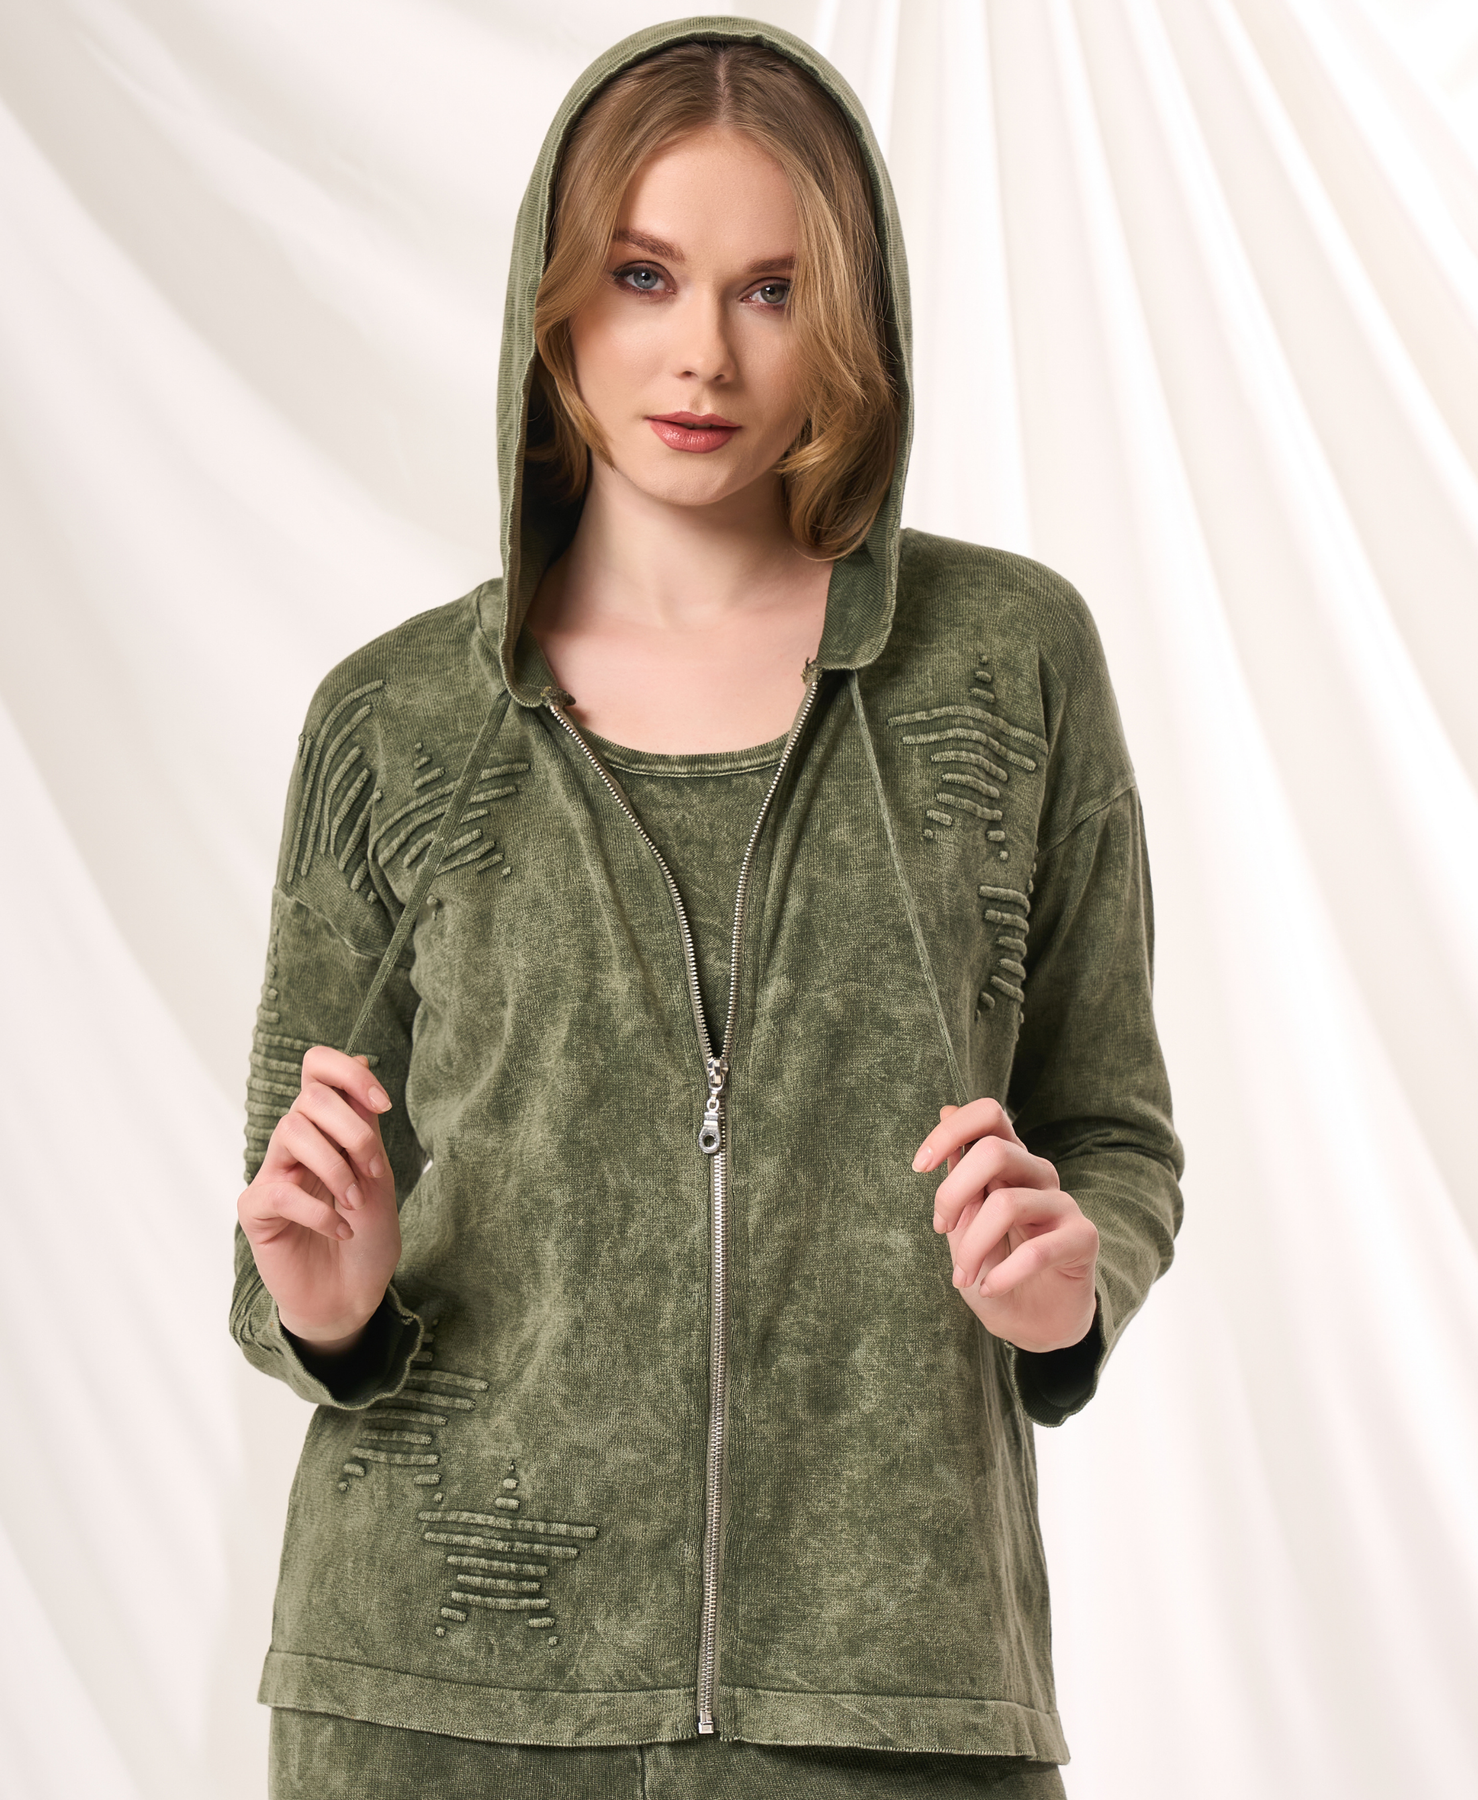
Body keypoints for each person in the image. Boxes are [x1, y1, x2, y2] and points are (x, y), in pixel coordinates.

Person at [233, 19, 1183, 1800]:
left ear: (852, 320)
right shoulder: (398, 723)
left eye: (772, 289)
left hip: (891, 1702)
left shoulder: (1005, 668)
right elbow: (275, 1239)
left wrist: (1069, 1291)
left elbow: (1110, 1131)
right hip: (439, 1704)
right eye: (644, 274)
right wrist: (327, 1305)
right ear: (552, 300)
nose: (702, 354)